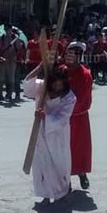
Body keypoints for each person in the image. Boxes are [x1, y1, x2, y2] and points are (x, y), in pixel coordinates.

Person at [23, 65, 76, 205]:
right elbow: (27, 85)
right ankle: (45, 194)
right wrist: (40, 67)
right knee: (41, 163)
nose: (58, 86)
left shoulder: (69, 97)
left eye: (61, 82)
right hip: (40, 133)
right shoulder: (42, 88)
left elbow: (63, 118)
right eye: (55, 82)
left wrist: (45, 116)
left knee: (60, 163)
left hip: (58, 135)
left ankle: (62, 192)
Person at [63, 41, 93, 190]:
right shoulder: (61, 70)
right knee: (63, 148)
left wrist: (66, 109)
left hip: (78, 117)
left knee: (79, 148)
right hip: (61, 117)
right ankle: (64, 179)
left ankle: (82, 173)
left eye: (73, 54)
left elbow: (82, 98)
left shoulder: (85, 74)